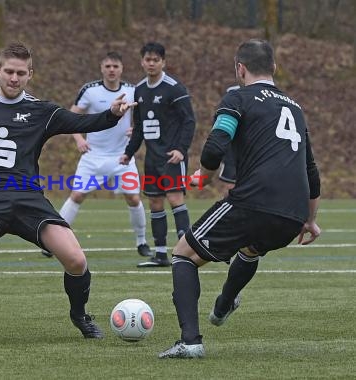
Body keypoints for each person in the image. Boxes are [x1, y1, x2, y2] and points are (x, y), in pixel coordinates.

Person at [0, 42, 136, 339]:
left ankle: (80, 315)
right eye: (8, 72)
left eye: (20, 73)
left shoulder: (42, 111)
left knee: (76, 260)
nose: (13, 78)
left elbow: (83, 121)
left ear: (30, 74)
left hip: (29, 199)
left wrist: (113, 114)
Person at [158, 39, 321, 359]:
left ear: (240, 69)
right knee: (250, 247)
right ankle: (222, 306)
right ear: (273, 68)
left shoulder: (238, 98)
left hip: (253, 202)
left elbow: (216, 146)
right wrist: (311, 219)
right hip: (291, 214)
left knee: (183, 255)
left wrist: (202, 177)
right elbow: (311, 170)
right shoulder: (296, 108)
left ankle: (189, 342)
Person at [42, 51, 151, 259]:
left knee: (134, 198)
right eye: (108, 66)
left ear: (122, 69)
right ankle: (54, 244)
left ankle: (142, 241)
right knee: (77, 195)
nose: (111, 70)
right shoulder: (90, 90)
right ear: (102, 68)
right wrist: (79, 139)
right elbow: (71, 116)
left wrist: (136, 129)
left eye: (115, 66)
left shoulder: (132, 90)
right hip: (93, 157)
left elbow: (143, 116)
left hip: (122, 157)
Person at [119, 42, 196, 268]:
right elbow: (139, 126)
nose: (151, 63)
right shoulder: (139, 90)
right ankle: (161, 254)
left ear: (163, 62)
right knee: (154, 202)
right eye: (147, 60)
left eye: (156, 60)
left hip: (172, 156)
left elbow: (189, 121)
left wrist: (181, 149)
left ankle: (188, 251)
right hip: (152, 158)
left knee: (174, 199)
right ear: (142, 61)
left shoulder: (174, 88)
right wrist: (128, 153)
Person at [217, 85, 240, 197]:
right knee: (230, 188)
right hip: (231, 155)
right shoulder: (226, 113)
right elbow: (219, 135)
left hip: (253, 155)